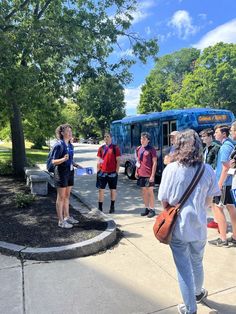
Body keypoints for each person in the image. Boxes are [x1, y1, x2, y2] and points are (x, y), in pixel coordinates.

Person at [158, 129, 220, 314]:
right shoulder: (207, 169)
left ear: (179, 146)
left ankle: (190, 309)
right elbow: (209, 202)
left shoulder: (171, 169)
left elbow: (163, 200)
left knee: (183, 268)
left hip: (178, 227)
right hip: (199, 225)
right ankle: (198, 293)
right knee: (197, 261)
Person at [208, 124, 236, 247]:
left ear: (223, 134)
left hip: (224, 183)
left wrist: (218, 185)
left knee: (217, 208)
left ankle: (223, 239)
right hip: (229, 182)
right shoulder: (231, 144)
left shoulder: (225, 147)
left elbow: (225, 167)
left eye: (216, 132)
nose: (214, 134)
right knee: (231, 208)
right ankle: (234, 236)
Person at [52, 124, 83, 228]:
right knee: (60, 197)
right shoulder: (58, 145)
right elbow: (54, 161)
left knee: (67, 196)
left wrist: (76, 165)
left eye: (71, 131)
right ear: (62, 133)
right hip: (61, 173)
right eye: (68, 131)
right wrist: (63, 159)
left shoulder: (70, 145)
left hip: (70, 172)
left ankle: (67, 217)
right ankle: (61, 221)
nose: (70, 133)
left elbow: (70, 159)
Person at [199, 128, 221, 229]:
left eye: (204, 136)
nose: (202, 138)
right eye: (201, 136)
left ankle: (218, 221)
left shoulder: (216, 147)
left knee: (215, 201)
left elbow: (217, 164)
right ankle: (216, 220)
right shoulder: (205, 148)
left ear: (210, 137)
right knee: (210, 200)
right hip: (206, 176)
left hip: (213, 176)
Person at [96, 132, 121, 213]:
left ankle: (112, 206)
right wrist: (98, 171)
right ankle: (100, 208)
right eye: (105, 136)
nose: (106, 138)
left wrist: (116, 172)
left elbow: (118, 161)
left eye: (108, 136)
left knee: (112, 190)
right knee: (101, 190)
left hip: (112, 173)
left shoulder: (115, 148)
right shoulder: (101, 148)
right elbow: (99, 160)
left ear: (111, 138)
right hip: (102, 173)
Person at [135, 132, 157, 218]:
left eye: (144, 139)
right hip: (141, 174)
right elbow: (138, 161)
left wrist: (152, 175)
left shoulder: (151, 149)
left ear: (148, 140)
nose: (142, 140)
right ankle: (147, 208)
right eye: (141, 138)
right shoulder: (138, 149)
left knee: (150, 192)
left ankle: (152, 209)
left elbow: (154, 163)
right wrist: (136, 171)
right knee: (144, 192)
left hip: (149, 175)